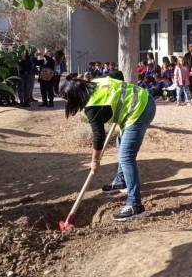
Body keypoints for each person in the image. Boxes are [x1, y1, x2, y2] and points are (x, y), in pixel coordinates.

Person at [62, 75, 156, 221]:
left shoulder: (92, 107)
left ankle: (135, 205)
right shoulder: (95, 82)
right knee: (121, 144)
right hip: (143, 100)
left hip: (140, 110)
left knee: (126, 156)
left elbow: (99, 136)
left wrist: (95, 160)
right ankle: (121, 181)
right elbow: (118, 75)